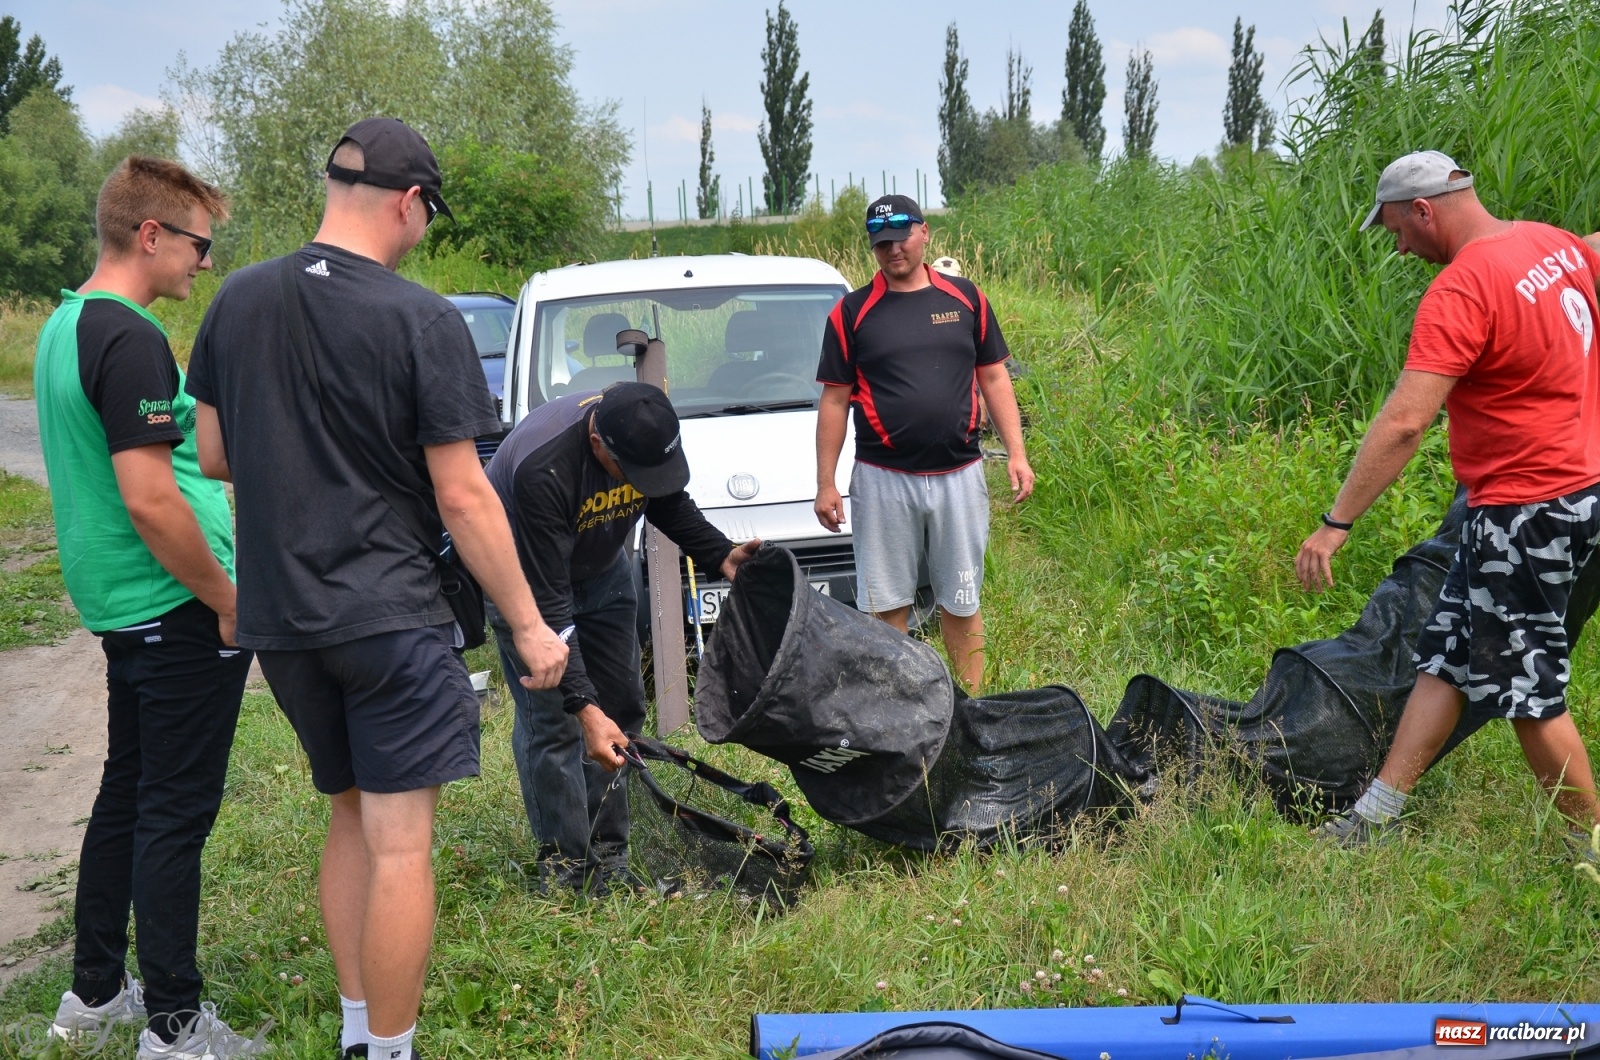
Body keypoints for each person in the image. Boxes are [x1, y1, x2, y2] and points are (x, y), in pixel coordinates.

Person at [185, 118, 568, 1060]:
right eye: (428, 216)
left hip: (285, 621)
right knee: (401, 844)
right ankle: (391, 1051)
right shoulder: (421, 318)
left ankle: (360, 1031)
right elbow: (464, 494)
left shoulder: (236, 299)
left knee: (349, 812)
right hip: (390, 615)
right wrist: (529, 626)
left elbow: (215, 453)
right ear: (409, 203)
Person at [1296, 150, 1600, 852]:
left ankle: (1592, 846)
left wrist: (1335, 524)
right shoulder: (1549, 243)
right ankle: (1375, 817)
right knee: (1449, 653)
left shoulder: (1462, 288)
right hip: (1568, 493)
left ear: (1424, 210)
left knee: (1528, 696)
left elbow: (1406, 422)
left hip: (1528, 512)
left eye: (1398, 230)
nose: (1400, 247)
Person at [34, 157, 260, 1058]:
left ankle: (95, 993)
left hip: (126, 605)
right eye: (199, 244)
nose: (206, 262)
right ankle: (174, 1028)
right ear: (152, 234)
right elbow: (151, 501)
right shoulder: (129, 338)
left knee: (128, 792)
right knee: (174, 813)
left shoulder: (65, 323)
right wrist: (227, 600)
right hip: (175, 606)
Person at [484, 383, 758, 893]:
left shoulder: (641, 429)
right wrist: (584, 706)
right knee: (556, 720)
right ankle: (566, 869)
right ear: (597, 443)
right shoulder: (544, 468)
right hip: (524, 583)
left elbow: (667, 502)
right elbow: (549, 607)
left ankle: (610, 855)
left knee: (622, 711)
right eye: (629, 472)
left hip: (603, 572)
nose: (639, 482)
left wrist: (720, 554)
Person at [813, 194, 1034, 693]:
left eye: (902, 238)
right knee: (886, 604)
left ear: (924, 232)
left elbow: (994, 377)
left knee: (961, 598)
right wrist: (826, 483)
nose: (893, 250)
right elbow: (834, 400)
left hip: (960, 475)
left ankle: (971, 702)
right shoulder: (851, 313)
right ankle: (899, 708)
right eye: (882, 243)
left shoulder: (965, 298)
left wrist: (1017, 454)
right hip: (883, 480)